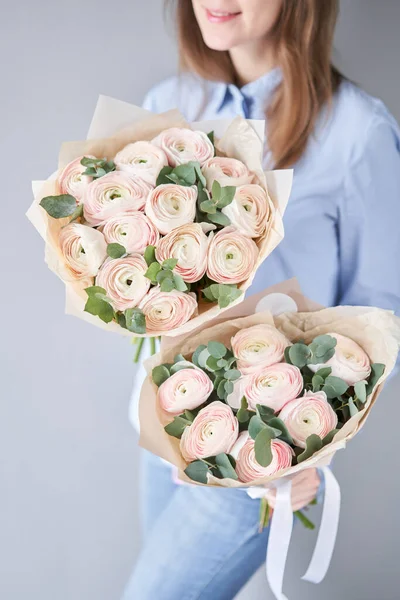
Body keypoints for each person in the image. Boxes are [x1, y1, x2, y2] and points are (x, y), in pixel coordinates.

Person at [122, 1, 400, 598]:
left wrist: (313, 445)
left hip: (258, 449)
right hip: (162, 423)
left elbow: (382, 311)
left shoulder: (356, 132)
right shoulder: (168, 107)